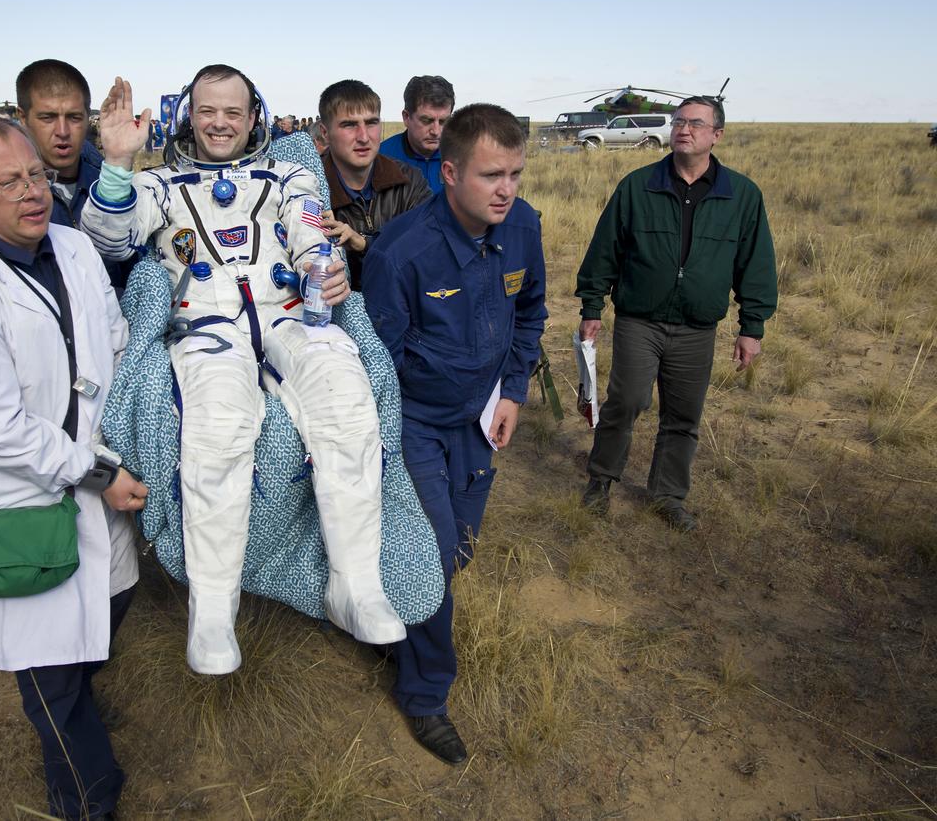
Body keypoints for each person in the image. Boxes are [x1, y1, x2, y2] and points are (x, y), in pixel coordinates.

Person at [81, 64, 405, 675]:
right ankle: (212, 611)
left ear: (254, 116)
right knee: (218, 424)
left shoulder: (287, 176)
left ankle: (354, 584)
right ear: (188, 116)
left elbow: (311, 230)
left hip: (287, 314)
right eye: (208, 111)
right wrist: (119, 164)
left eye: (233, 111)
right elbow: (107, 241)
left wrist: (325, 266)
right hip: (208, 325)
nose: (220, 122)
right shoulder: (159, 187)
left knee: (345, 395)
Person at [0, 114, 146, 821]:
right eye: (8, 182)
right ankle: (86, 798)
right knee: (51, 681)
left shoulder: (70, 248)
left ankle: (80, 689)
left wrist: (126, 438)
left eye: (36, 174)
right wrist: (97, 472)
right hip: (20, 505)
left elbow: (117, 338)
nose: (32, 192)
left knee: (111, 603)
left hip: (100, 480)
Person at [363, 104, 547, 765]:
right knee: (433, 560)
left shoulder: (522, 227)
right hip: (413, 422)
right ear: (449, 172)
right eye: (492, 174)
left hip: (480, 417)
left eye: (517, 174)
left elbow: (531, 312)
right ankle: (426, 694)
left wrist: (515, 393)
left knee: (461, 548)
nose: (507, 189)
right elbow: (375, 365)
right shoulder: (400, 252)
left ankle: (396, 621)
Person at [575, 96, 777, 532]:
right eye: (679, 121)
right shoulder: (638, 185)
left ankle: (667, 496)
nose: (684, 129)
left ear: (716, 135)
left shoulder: (741, 196)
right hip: (639, 320)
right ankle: (601, 480)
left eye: (696, 124)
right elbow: (604, 250)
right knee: (625, 403)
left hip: (696, 327)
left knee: (683, 417)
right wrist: (592, 306)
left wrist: (751, 327)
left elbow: (755, 265)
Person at [0, 61, 135, 293]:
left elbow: (129, 265)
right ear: (22, 118)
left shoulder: (108, 183)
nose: (63, 131)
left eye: (74, 117)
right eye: (48, 117)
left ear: (88, 117)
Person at [316, 79, 431, 290]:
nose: (364, 137)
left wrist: (363, 244)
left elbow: (428, 252)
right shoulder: (307, 189)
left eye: (371, 123)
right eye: (349, 125)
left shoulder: (409, 181)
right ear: (325, 132)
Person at [378, 75, 454, 193]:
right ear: (406, 118)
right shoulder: (380, 159)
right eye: (427, 120)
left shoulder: (463, 158)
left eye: (443, 122)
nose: (436, 131)